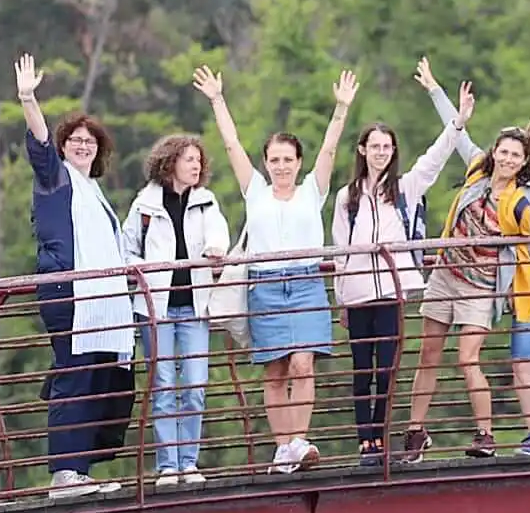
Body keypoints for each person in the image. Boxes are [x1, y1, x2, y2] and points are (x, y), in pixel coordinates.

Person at [420, 58, 530, 455]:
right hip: (522, 285)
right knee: (525, 360)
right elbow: (462, 141)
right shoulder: (502, 179)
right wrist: (438, 93)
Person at [195, 64, 355, 473]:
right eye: (275, 159)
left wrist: (340, 110)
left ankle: (300, 440)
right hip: (265, 285)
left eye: (288, 159)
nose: (281, 166)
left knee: (303, 363)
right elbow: (231, 144)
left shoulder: (311, 193)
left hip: (304, 284)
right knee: (275, 369)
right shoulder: (256, 193)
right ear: (266, 163)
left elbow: (330, 150)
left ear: (298, 162)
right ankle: (282, 447)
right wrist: (217, 100)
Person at [330, 78, 474, 466]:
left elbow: (435, 158)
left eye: (386, 147)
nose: (380, 152)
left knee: (389, 366)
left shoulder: (405, 188)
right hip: (359, 292)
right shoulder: (349, 197)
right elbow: (340, 250)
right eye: (374, 146)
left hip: (393, 290)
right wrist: (341, 298)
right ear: (363, 150)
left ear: (393, 151)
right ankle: (366, 442)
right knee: (364, 367)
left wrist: (457, 122)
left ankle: (382, 434)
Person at [15, 53, 131, 500]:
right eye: (75, 140)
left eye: (90, 141)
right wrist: (29, 98)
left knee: (92, 375)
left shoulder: (96, 192)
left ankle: (78, 469)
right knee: (73, 373)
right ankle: (65, 472)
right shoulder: (57, 180)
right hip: (70, 292)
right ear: (64, 146)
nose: (83, 145)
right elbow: (40, 147)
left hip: (101, 300)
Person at [400, 116, 530, 463]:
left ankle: (485, 434)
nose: (507, 159)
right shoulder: (478, 174)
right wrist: (440, 95)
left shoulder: (519, 202)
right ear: (495, 153)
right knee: (428, 353)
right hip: (447, 272)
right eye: (503, 152)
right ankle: (415, 431)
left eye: (515, 155)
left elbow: (527, 241)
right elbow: (458, 134)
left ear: (523, 163)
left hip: (481, 285)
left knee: (467, 357)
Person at [122, 134, 231, 486]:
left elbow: (220, 236)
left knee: (196, 385)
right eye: (188, 159)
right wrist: (146, 274)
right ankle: (168, 465)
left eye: (198, 160)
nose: (196, 165)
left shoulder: (207, 202)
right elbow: (127, 252)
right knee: (165, 385)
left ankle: (189, 462)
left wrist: (216, 251)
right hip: (157, 309)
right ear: (169, 163)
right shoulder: (145, 206)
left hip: (195, 306)